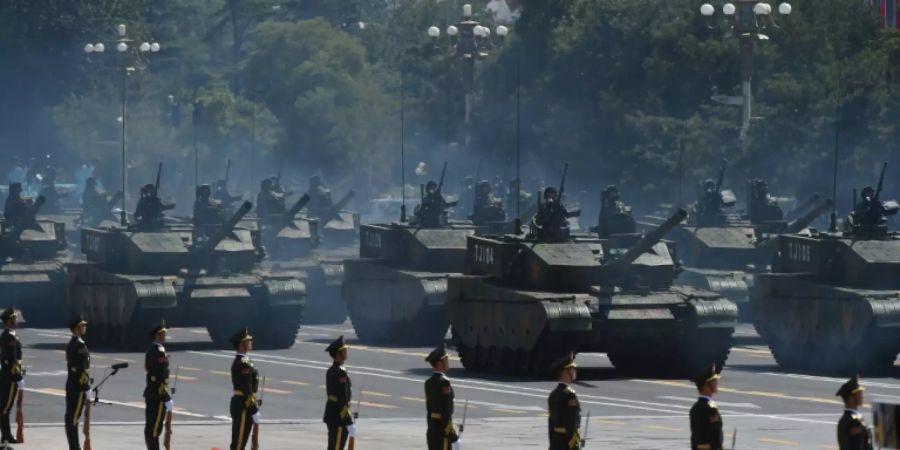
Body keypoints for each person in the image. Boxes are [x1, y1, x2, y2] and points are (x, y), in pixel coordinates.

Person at [229, 327, 259, 450]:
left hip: (243, 404)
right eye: (248, 341)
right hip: (242, 404)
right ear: (241, 345)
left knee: (241, 442)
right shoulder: (242, 363)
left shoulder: (245, 361)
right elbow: (246, 388)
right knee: (239, 444)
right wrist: (253, 409)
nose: (250, 342)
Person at [425, 343, 460, 450]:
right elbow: (446, 411)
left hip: (432, 430)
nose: (447, 362)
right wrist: (450, 432)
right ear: (439, 363)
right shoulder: (444, 383)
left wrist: (431, 428)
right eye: (445, 359)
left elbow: (429, 409)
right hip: (443, 432)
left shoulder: (428, 382)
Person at [144, 321, 172, 450]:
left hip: (151, 392)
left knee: (151, 427)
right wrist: (165, 396)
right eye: (162, 333)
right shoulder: (159, 351)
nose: (165, 335)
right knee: (155, 428)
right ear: (157, 335)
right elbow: (160, 376)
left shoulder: (152, 349)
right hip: (158, 394)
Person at [324, 336, 355, 450]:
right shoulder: (341, 373)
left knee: (333, 447)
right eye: (343, 351)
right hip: (338, 418)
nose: (346, 352)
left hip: (332, 415)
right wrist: (348, 420)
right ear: (338, 354)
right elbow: (343, 399)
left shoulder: (331, 371)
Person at [65, 315, 90, 450]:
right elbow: (80, 369)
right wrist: (86, 387)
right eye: (82, 326)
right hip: (78, 386)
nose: (84, 327)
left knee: (72, 417)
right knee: (73, 418)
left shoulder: (76, 343)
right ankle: (75, 447)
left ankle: (74, 446)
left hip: (74, 385)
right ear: (76, 329)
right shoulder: (78, 345)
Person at [547, 353, 581, 450]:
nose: (575, 371)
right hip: (567, 443)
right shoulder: (570, 395)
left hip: (555, 442)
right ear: (566, 372)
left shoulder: (553, 394)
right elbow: (571, 423)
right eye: (573, 369)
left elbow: (551, 423)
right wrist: (574, 444)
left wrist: (552, 444)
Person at [0, 308, 23, 444]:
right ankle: (6, 435)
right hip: (10, 376)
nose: (16, 321)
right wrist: (18, 377)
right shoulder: (8, 336)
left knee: (5, 407)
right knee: (5, 407)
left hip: (8, 375)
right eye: (14, 319)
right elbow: (12, 359)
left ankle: (5, 434)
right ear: (8, 321)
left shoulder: (10, 334)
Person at [690, 364, 724, 450]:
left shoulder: (694, 408)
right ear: (706, 386)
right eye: (713, 381)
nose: (716, 383)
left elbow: (694, 437)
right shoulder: (711, 408)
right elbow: (715, 434)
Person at [836, 375, 873, 450]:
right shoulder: (854, 421)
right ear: (851, 398)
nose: (862, 396)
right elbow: (857, 446)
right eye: (859, 393)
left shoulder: (845, 419)